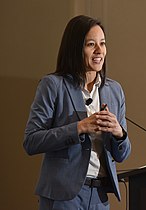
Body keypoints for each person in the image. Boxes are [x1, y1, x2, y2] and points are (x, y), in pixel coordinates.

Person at [23, 15, 131, 210]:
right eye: (91, 44)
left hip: (100, 196)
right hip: (63, 196)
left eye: (103, 43)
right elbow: (31, 141)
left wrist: (119, 133)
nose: (99, 51)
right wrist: (79, 128)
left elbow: (122, 154)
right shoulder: (53, 85)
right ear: (76, 48)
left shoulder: (114, 90)